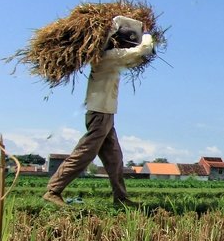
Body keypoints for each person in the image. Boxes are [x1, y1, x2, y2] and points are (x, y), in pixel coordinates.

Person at [43, 16, 154, 208]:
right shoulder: (107, 57)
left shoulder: (112, 58)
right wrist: (147, 34)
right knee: (85, 152)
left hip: (106, 113)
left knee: (114, 157)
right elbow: (141, 50)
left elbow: (134, 58)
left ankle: (120, 198)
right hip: (99, 113)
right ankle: (53, 191)